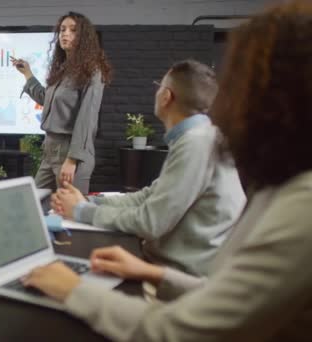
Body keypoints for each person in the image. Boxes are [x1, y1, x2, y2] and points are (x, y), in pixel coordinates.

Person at [22, 1, 312, 340]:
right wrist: (152, 272)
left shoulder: (298, 205)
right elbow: (218, 291)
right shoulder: (276, 186)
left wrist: (73, 288)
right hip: (177, 278)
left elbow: (179, 327)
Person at [51, 60, 245, 276]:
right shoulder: (200, 137)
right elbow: (147, 196)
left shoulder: (196, 144)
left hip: (179, 276)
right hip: (168, 264)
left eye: (158, 86)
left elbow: (150, 221)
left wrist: (80, 211)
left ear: (166, 97)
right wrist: (88, 201)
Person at [11, 11, 111, 194]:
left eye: (73, 30)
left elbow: (87, 118)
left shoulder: (92, 71)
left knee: (69, 213)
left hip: (71, 151)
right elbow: (46, 100)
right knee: (36, 201)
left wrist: (72, 159)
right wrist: (27, 74)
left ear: (84, 37)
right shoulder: (62, 69)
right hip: (50, 149)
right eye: (62, 29)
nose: (65, 34)